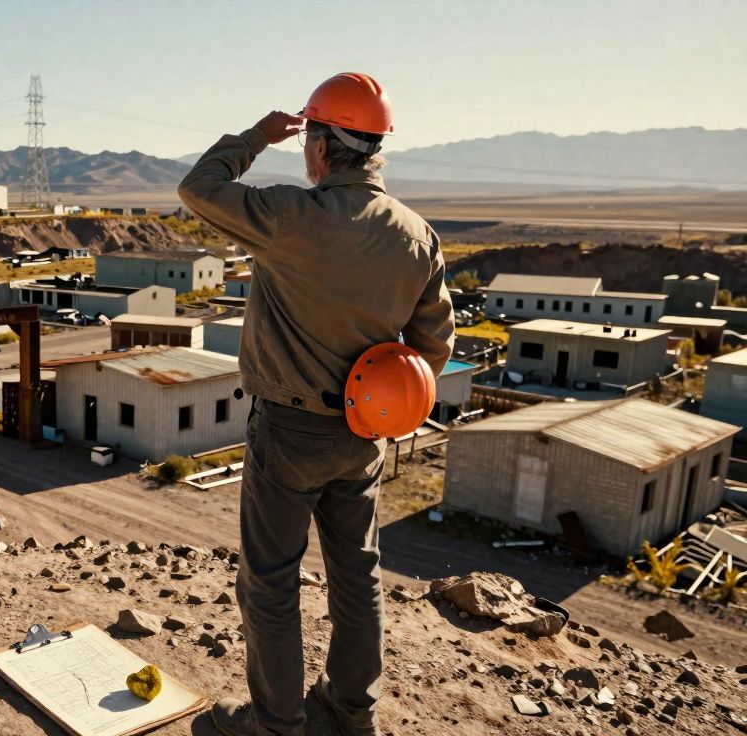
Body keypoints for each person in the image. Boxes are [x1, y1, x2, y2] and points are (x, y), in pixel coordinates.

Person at [177, 73, 454, 736]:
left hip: (289, 431)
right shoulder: (418, 237)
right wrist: (379, 402)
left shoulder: (290, 219)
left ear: (321, 147)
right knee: (357, 576)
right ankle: (352, 714)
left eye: (310, 139)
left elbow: (198, 189)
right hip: (363, 437)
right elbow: (432, 350)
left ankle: (275, 724)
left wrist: (255, 138)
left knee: (270, 582)